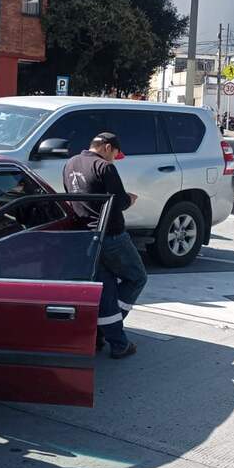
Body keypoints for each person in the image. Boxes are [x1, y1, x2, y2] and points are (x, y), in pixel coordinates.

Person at [63, 132, 148, 359]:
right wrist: (129, 198)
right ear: (107, 148)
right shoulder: (104, 167)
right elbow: (118, 202)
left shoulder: (70, 164)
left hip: (85, 238)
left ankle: (109, 339)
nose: (113, 160)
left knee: (107, 289)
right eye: (115, 155)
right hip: (111, 236)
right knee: (137, 277)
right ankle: (110, 330)